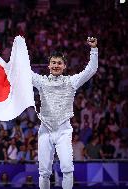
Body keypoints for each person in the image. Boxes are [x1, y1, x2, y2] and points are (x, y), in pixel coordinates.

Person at [31, 37, 98, 189]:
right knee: (44, 172)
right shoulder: (40, 81)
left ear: (64, 66)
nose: (56, 65)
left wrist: (94, 50)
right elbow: (19, 69)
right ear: (49, 65)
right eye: (53, 63)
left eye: (59, 63)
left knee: (67, 169)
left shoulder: (71, 81)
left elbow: (91, 70)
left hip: (63, 131)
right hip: (45, 130)